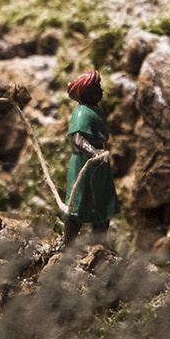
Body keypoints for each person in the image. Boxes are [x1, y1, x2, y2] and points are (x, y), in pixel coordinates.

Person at [63, 69, 120, 247]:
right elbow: (78, 138)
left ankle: (99, 246)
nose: (101, 91)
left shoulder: (98, 111)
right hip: (85, 163)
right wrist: (93, 152)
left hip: (100, 164)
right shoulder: (82, 113)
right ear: (87, 92)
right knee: (79, 204)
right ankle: (68, 244)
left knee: (103, 204)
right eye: (97, 88)